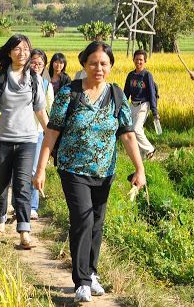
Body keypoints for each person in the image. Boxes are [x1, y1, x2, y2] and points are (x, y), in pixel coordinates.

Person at [33, 41, 146, 303]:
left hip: (105, 171)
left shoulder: (117, 95)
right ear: (84, 64)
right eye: (93, 63)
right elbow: (52, 133)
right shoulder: (69, 94)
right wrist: (40, 170)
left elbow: (128, 135)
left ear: (111, 66)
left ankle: (91, 273)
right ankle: (81, 280)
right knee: (83, 219)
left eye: (104, 63)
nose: (99, 68)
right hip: (73, 169)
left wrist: (139, 169)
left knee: (96, 222)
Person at [0, 34, 48, 250]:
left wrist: (53, 136)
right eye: (17, 49)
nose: (22, 53)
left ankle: (24, 231)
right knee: (0, 183)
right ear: (9, 52)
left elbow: (40, 112)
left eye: (26, 49)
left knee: (22, 185)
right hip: (2, 140)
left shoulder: (35, 80)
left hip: (28, 141)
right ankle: (0, 220)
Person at [28, 49, 55, 220]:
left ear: (44, 66)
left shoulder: (46, 85)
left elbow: (51, 109)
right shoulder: (19, 80)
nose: (36, 66)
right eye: (34, 62)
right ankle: (19, 204)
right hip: (20, 132)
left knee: (33, 169)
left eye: (40, 64)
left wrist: (51, 134)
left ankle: (32, 206)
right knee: (19, 171)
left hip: (38, 132)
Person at [123, 49, 159, 160]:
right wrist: (122, 106)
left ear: (145, 61)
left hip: (144, 104)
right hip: (133, 105)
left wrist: (154, 111)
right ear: (133, 60)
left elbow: (152, 93)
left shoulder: (147, 75)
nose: (139, 62)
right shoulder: (131, 75)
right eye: (137, 59)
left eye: (141, 60)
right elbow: (126, 92)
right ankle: (142, 156)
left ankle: (149, 150)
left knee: (136, 129)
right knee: (133, 130)